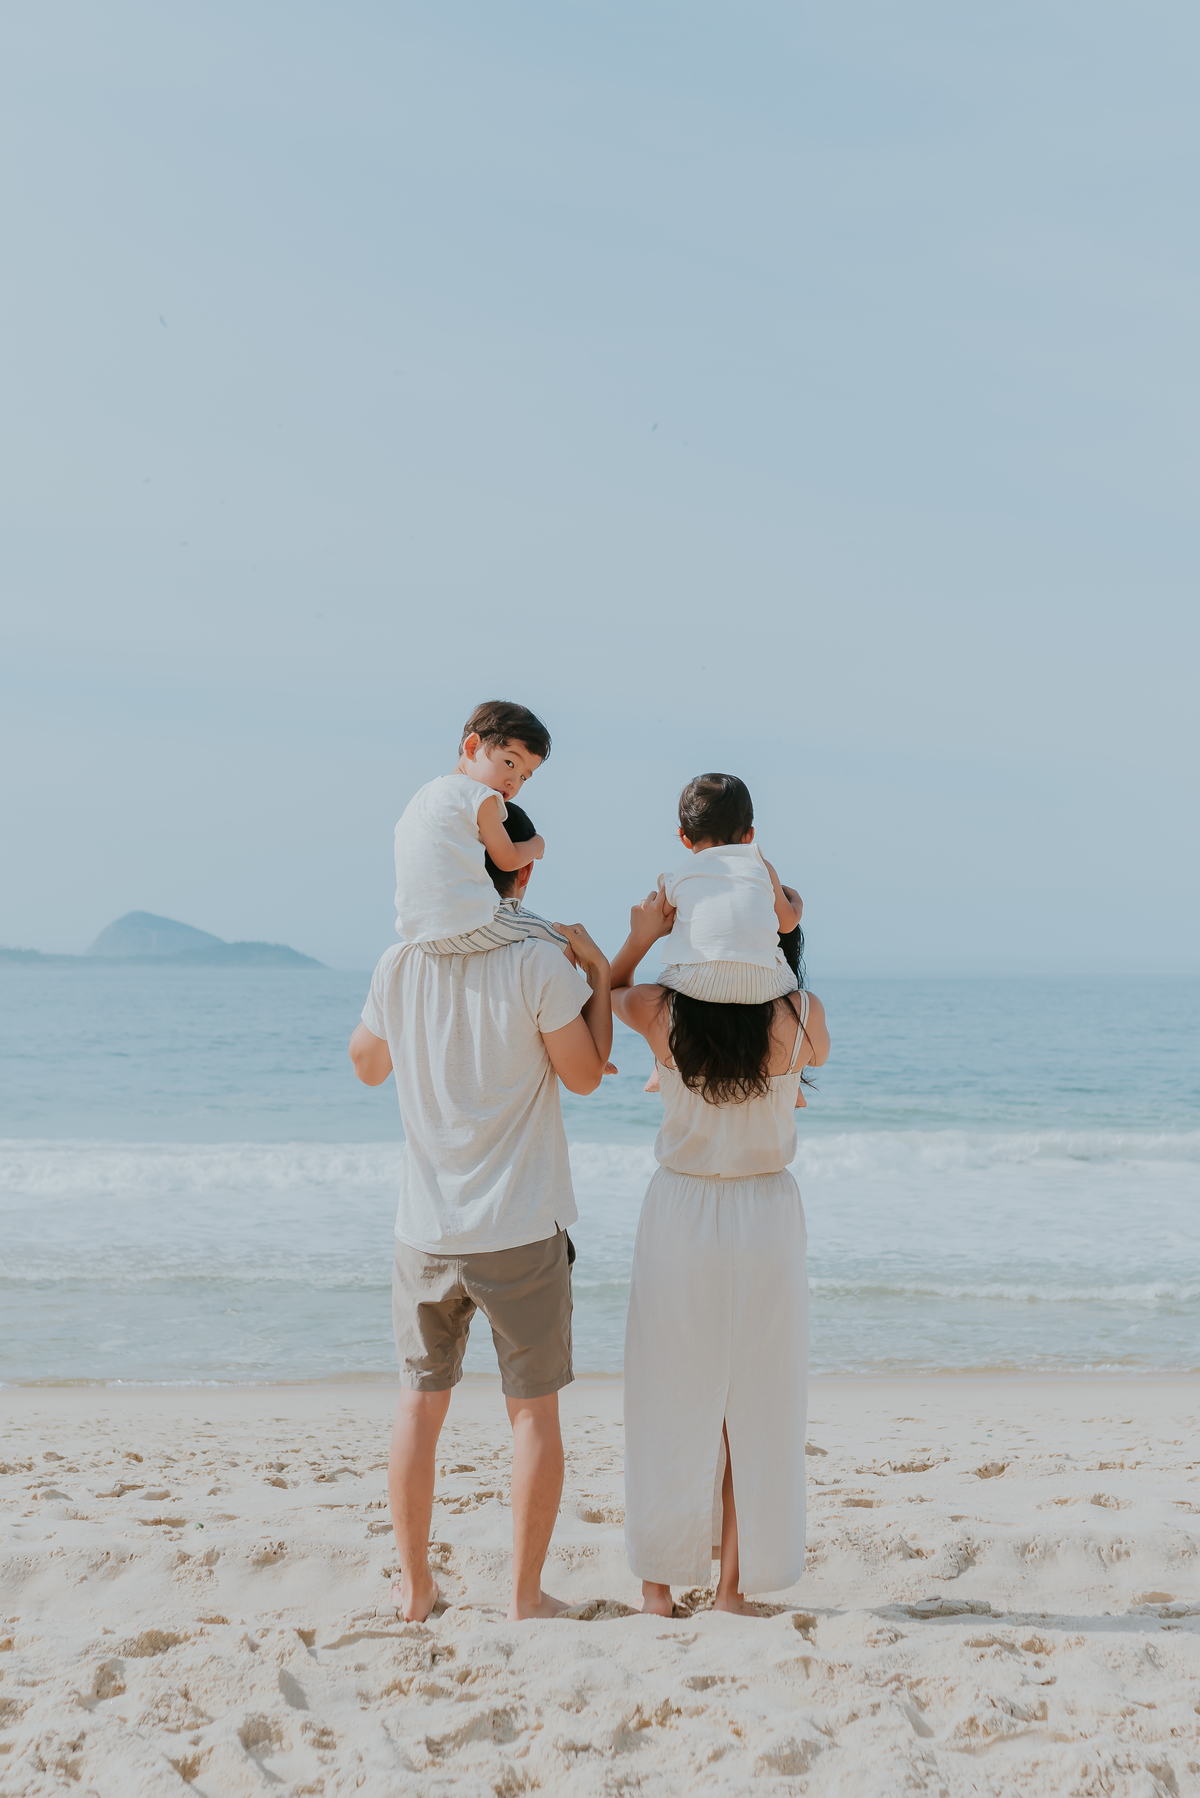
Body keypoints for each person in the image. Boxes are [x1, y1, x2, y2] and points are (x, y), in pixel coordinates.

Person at [350, 800, 613, 1622]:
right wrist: (600, 977)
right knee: (532, 1414)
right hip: (520, 1226)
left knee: (417, 1411)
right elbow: (586, 1074)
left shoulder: (400, 962)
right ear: (520, 872)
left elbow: (366, 1066)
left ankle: (417, 1588)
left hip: (425, 1229)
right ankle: (525, 1596)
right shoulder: (539, 961)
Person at [609, 882, 829, 1615]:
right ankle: (732, 1590)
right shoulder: (801, 1015)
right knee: (754, 1407)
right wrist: (783, 948)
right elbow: (804, 1046)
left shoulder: (660, 1010)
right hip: (765, 1213)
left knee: (668, 1396)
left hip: (683, 1210)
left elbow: (604, 999)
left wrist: (641, 938)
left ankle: (657, 1590)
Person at [393, 699, 567, 953]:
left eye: (523, 777)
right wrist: (537, 844)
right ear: (472, 746)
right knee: (562, 943)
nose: (513, 782)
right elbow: (507, 860)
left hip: (418, 933)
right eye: (510, 763)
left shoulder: (423, 796)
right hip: (471, 923)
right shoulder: (479, 795)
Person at [655, 772, 802, 1005]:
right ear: (749, 835)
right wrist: (797, 903)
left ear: (683, 836)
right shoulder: (760, 865)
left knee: (654, 989)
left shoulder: (678, 876)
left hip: (696, 985)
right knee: (800, 995)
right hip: (764, 986)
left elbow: (658, 924)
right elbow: (787, 924)